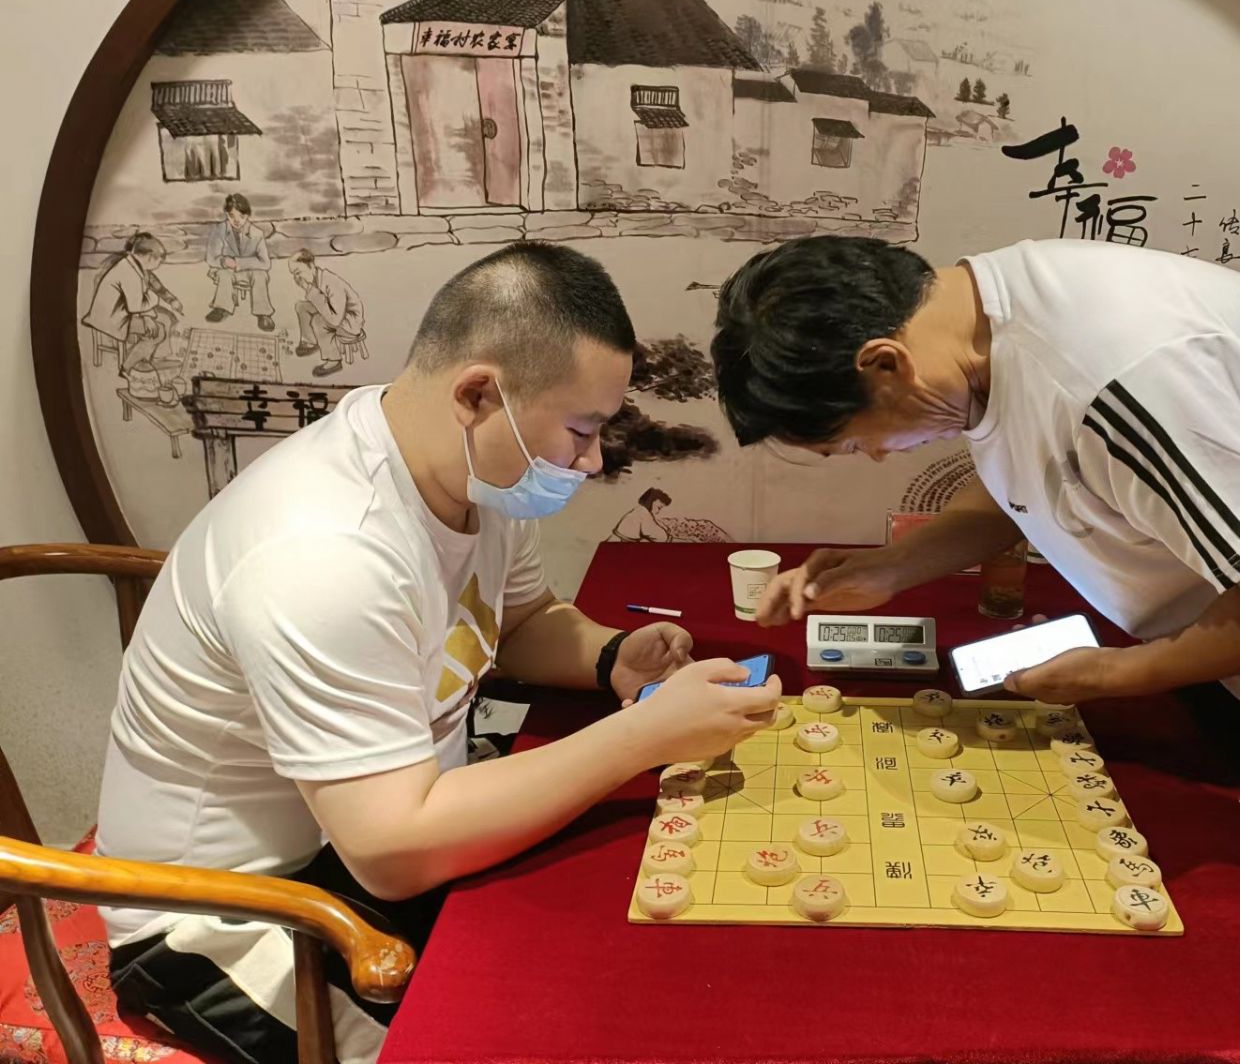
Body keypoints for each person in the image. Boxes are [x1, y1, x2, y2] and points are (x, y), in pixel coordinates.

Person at [710, 234, 1240, 997]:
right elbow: (1030, 468)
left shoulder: (1118, 376)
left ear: (885, 363)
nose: (875, 456)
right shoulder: (982, 317)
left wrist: (1118, 673)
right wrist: (895, 567)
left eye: (856, 438)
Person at [97, 243, 781, 1063]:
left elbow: (519, 622)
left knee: (609, 968)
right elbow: (393, 854)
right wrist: (644, 736)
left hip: (381, 822)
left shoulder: (465, 474)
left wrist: (611, 658)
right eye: (582, 429)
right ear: (478, 394)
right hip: (231, 912)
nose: (594, 460)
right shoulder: (324, 555)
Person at [81, 231, 183, 374]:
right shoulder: (128, 271)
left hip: (124, 312)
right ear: (149, 257)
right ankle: (129, 366)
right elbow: (136, 306)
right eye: (159, 261)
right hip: (112, 318)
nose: (159, 264)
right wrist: (150, 310)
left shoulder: (135, 266)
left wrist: (171, 301)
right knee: (157, 331)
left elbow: (153, 289)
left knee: (168, 317)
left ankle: (155, 357)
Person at [290, 248, 366, 377]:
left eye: (298, 272)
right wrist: (310, 290)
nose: (297, 278)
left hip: (350, 321)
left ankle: (333, 361)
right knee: (301, 307)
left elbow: (335, 319)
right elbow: (324, 304)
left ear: (311, 266)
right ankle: (311, 342)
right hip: (336, 314)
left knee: (318, 321)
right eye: (293, 274)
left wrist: (310, 291)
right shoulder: (315, 279)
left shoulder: (330, 282)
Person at [206, 192, 275, 331]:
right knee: (225, 274)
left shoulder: (257, 233)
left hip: (249, 272)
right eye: (232, 216)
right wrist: (224, 261)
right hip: (227, 270)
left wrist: (238, 263)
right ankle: (221, 308)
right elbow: (211, 258)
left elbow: (265, 263)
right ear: (227, 215)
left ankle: (263, 314)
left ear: (247, 215)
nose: (236, 220)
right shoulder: (219, 230)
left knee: (260, 275)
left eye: (241, 216)